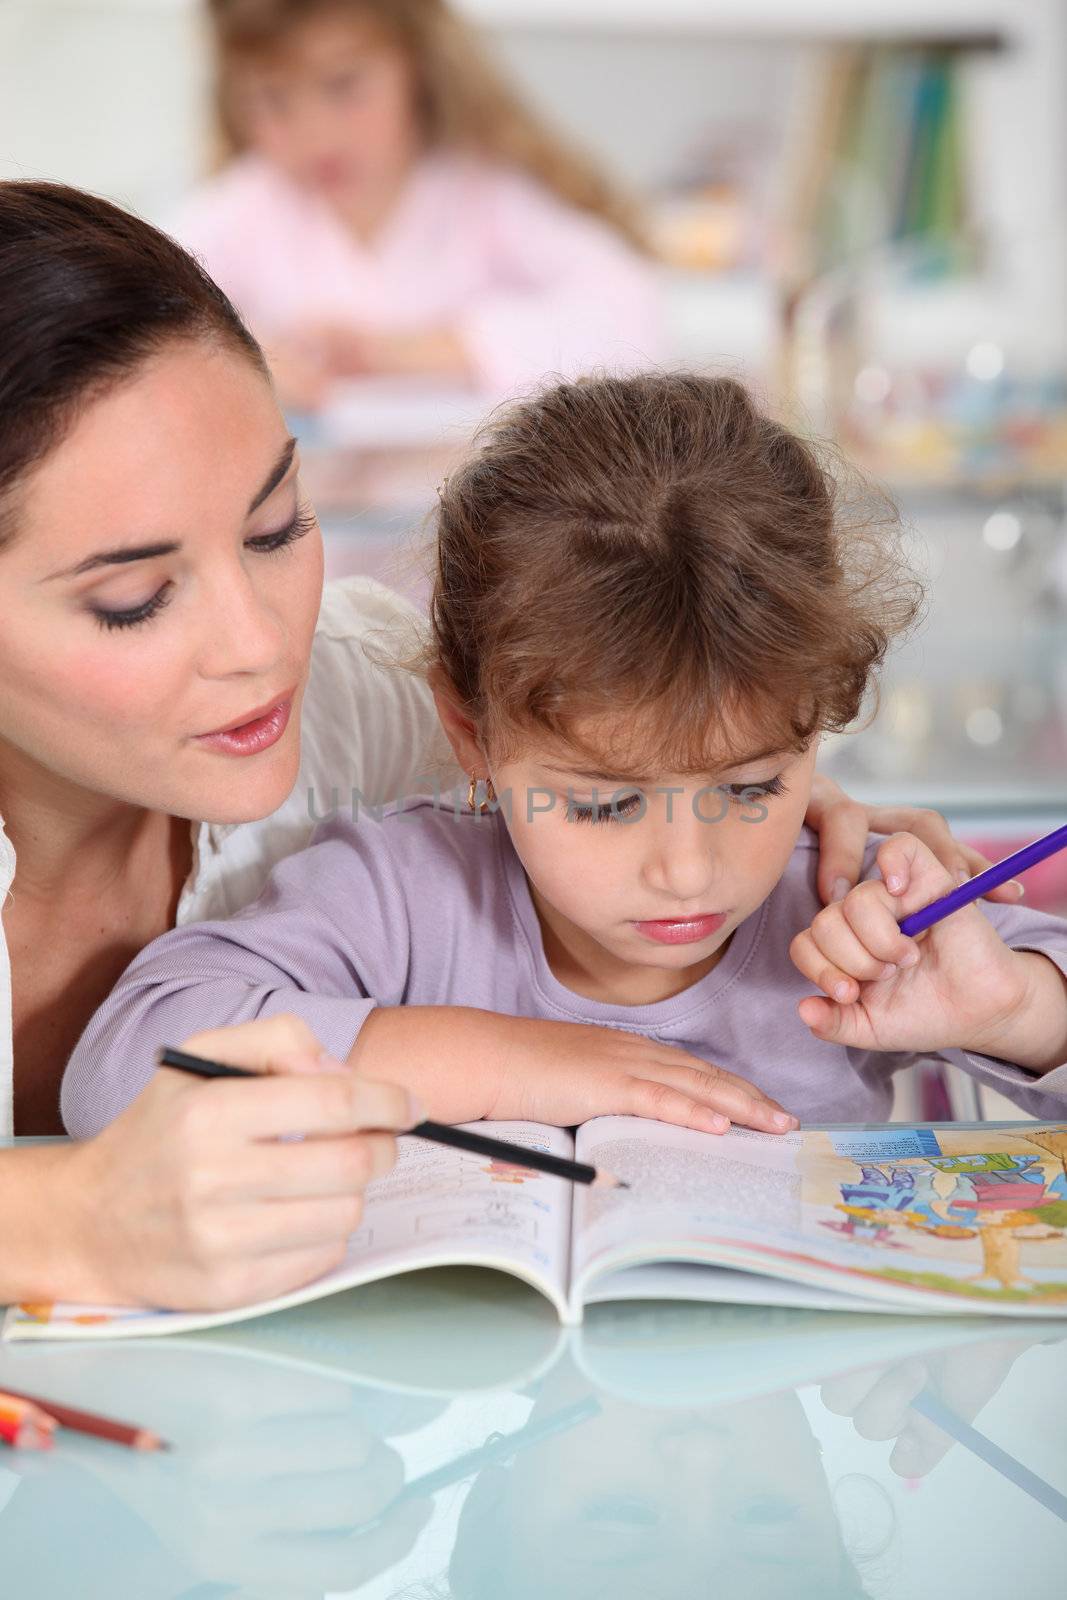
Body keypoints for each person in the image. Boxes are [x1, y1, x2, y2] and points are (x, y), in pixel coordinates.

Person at [0, 183, 976, 1311]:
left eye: (277, 530)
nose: (262, 643)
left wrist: (796, 797)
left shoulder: (357, 710)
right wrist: (69, 1222)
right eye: (133, 597)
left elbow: (606, 724)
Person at [63, 373, 1067, 1152]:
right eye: (601, 805)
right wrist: (505, 1062)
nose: (686, 868)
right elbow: (113, 1072)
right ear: (470, 735)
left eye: (750, 786)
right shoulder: (400, 895)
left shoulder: (845, 910)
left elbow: (1028, 1001)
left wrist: (1017, 1008)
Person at [171, 0, 664, 410]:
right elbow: (148, 324)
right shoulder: (241, 209)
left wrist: (411, 353)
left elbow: (632, 315)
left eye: (344, 85)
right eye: (273, 99)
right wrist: (246, 361)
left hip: (480, 517)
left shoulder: (484, 193)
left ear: (419, 67)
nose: (315, 134)